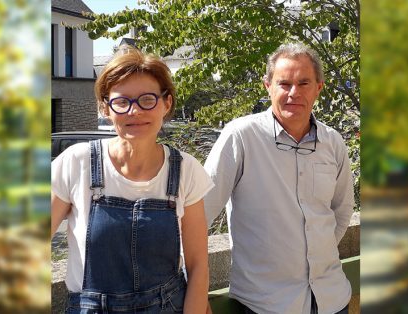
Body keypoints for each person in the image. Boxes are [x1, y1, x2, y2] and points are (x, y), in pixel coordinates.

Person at [51, 48, 213, 314]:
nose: (134, 111)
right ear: (105, 108)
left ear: (167, 103)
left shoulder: (186, 170)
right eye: (122, 102)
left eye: (147, 100)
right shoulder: (76, 162)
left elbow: (197, 267)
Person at [203, 42, 355, 314]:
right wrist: (194, 287)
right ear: (267, 86)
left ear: (319, 87)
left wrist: (314, 256)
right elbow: (198, 212)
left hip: (331, 300)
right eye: (284, 83)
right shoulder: (241, 137)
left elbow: (341, 211)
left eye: (304, 83)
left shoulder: (333, 142)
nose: (293, 93)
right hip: (264, 304)